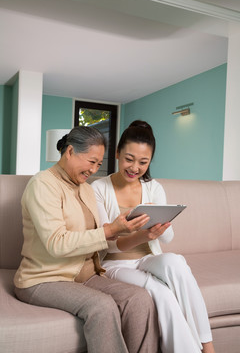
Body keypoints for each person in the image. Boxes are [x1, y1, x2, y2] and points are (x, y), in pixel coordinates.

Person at [14, 126, 160, 353]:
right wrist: (109, 230)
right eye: (91, 161)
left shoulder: (86, 190)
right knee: (101, 306)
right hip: (44, 279)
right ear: (70, 152)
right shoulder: (43, 184)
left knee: (139, 299)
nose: (93, 170)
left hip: (86, 275)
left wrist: (129, 230)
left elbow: (102, 239)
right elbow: (56, 244)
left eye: (99, 164)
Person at [91, 120, 216, 353]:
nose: (134, 168)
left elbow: (167, 239)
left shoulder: (154, 187)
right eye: (129, 159)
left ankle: (208, 347)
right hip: (115, 265)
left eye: (143, 162)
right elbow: (108, 246)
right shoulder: (98, 188)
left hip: (147, 259)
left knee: (176, 262)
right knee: (162, 292)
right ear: (117, 153)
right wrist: (142, 234)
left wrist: (157, 219)